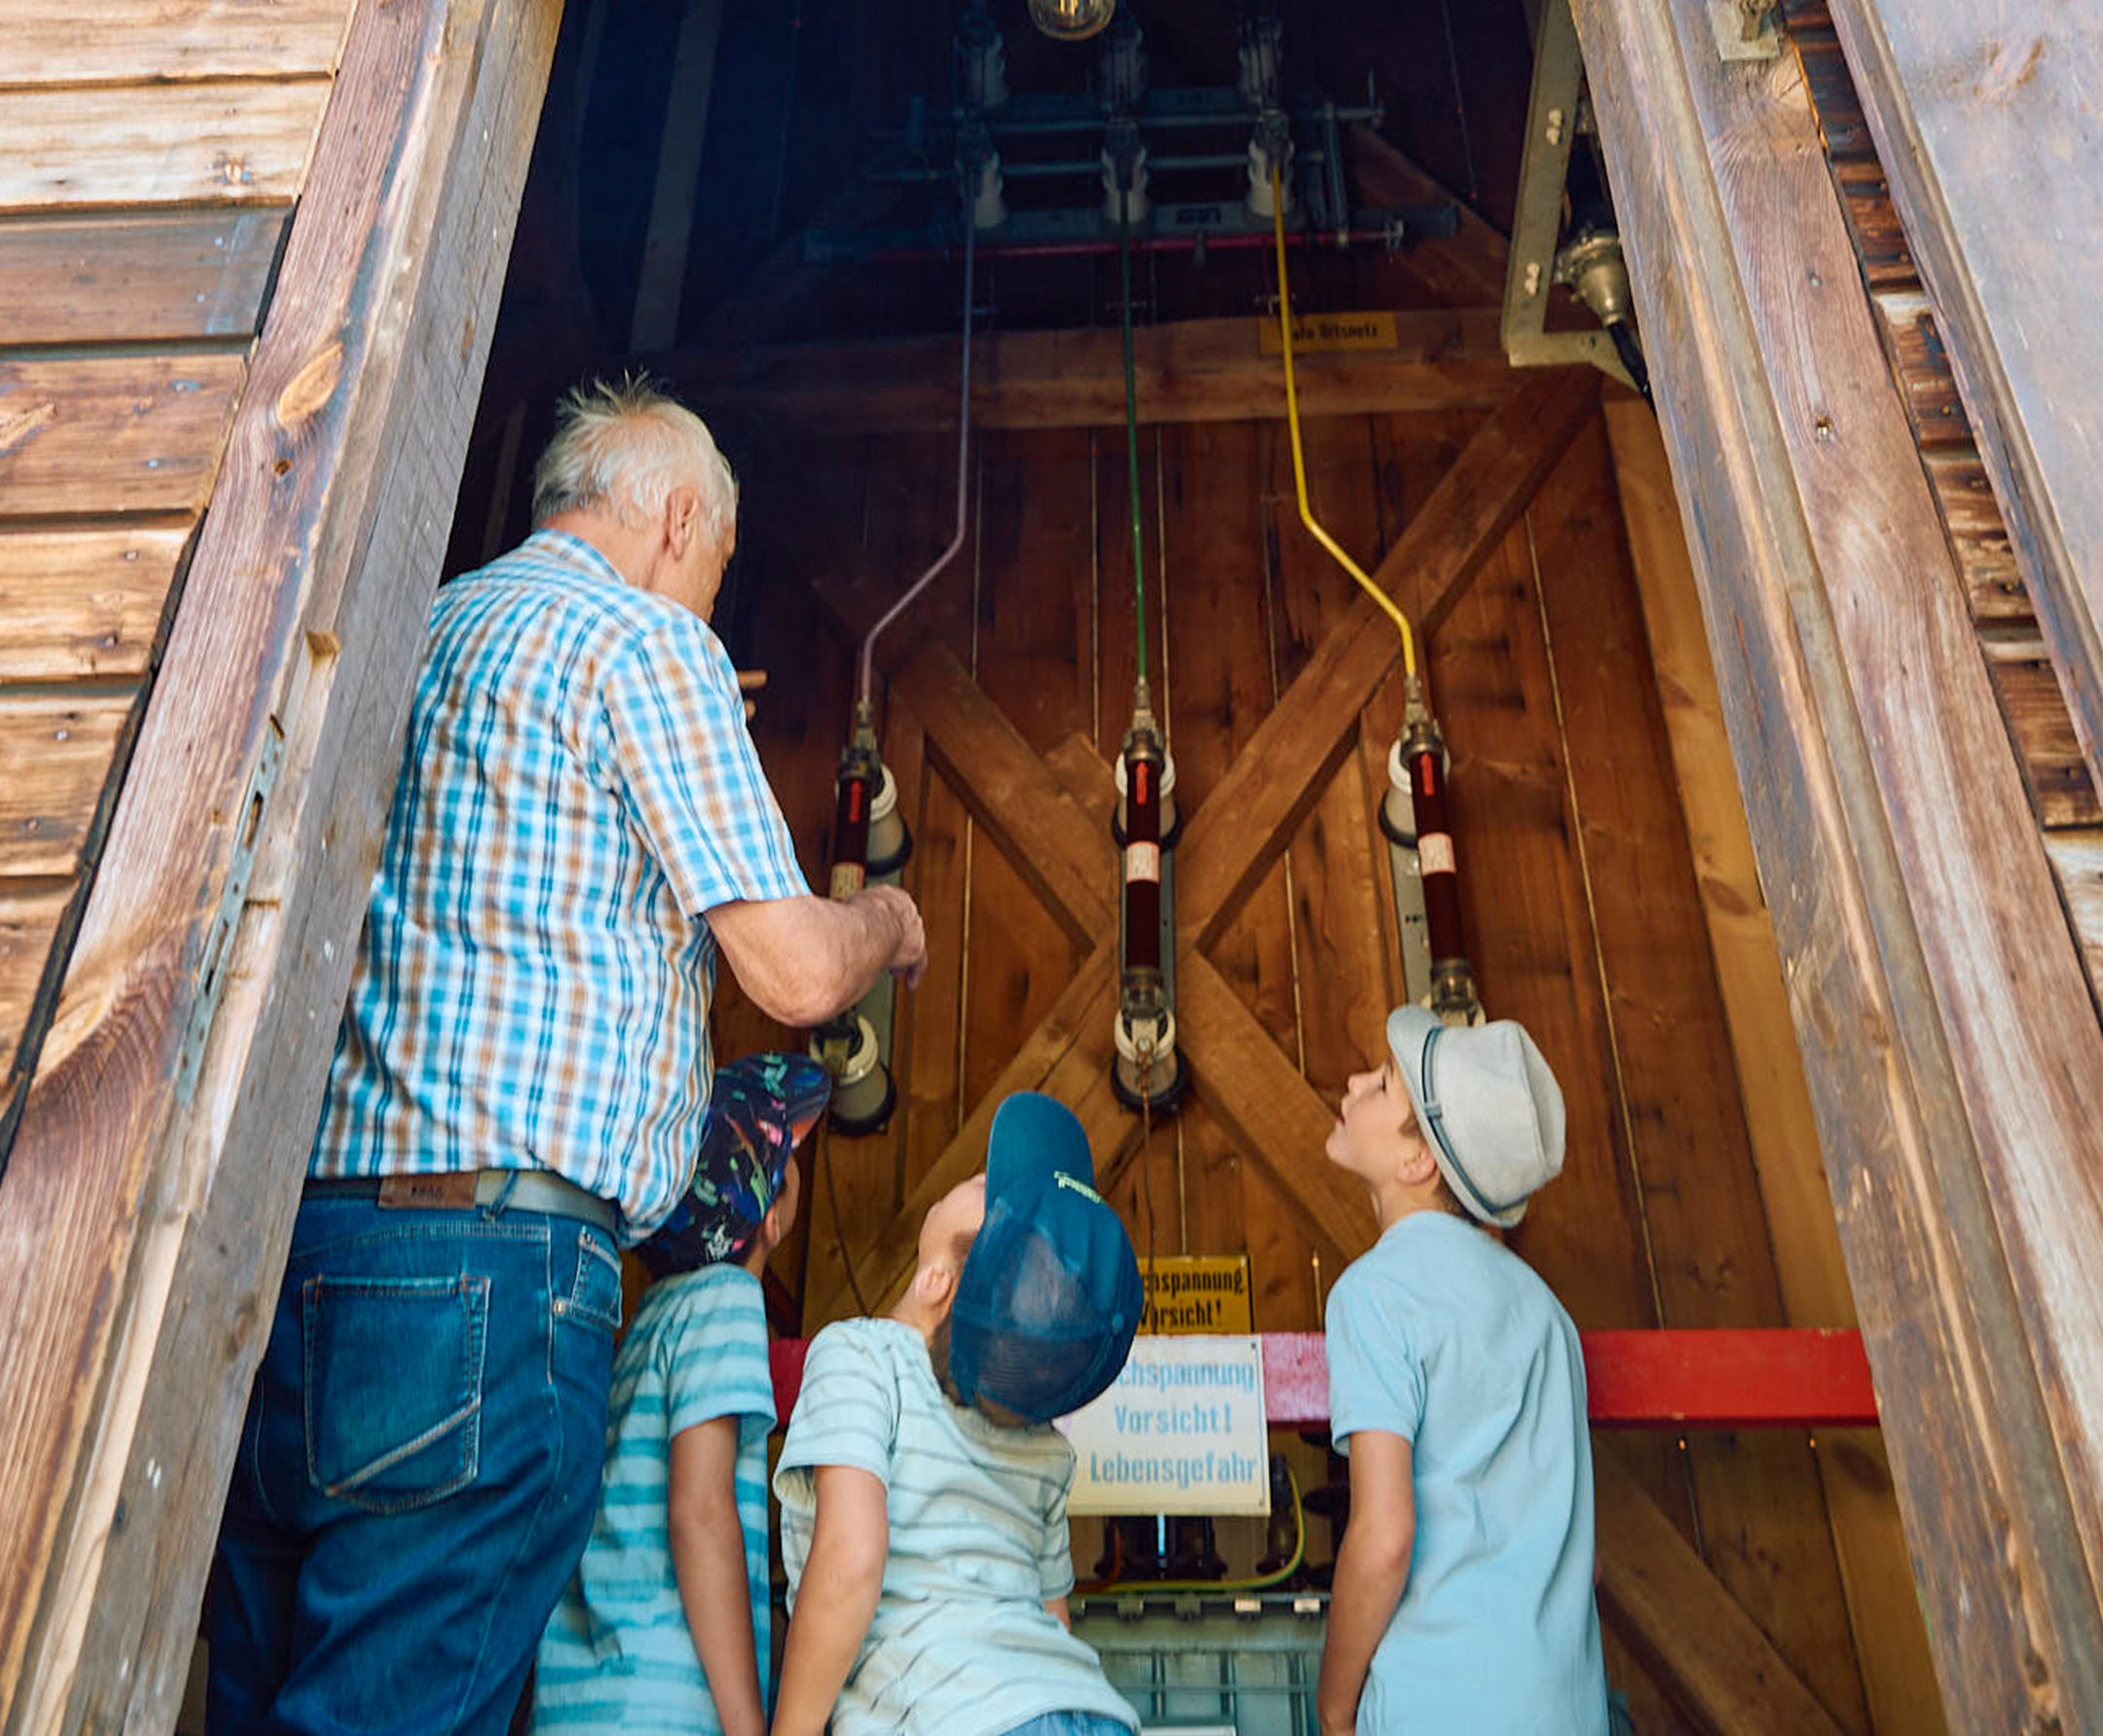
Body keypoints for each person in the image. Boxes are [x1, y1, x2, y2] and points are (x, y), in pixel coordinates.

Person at [208, 377, 927, 1735]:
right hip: (494, 1271)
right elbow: (791, 972)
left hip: (296, 1253)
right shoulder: (646, 644)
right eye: (715, 567)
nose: (706, 602)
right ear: (677, 519)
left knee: (261, 1687)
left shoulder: (411, 629)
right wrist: (888, 921)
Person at [771, 1092, 1144, 1736]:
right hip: (1090, 1706)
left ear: (937, 1280)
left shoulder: (859, 1357)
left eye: (984, 1188)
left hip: (952, 1714)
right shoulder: (1043, 1444)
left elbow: (850, 1562)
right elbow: (1052, 1617)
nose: (980, 1177)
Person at [1314, 1007, 1609, 1736]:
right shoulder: (1549, 1315)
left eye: (1382, 1084)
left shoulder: (1374, 1295)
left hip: (1440, 1704)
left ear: (1419, 1161)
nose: (1353, 1083)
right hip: (1569, 1710)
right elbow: (1587, 1559)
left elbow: (1386, 1534)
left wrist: (1335, 1708)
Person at [531, 1051, 828, 1736]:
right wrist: (747, 1723)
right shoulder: (726, 1300)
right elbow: (699, 1512)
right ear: (769, 1213)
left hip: (586, 1698)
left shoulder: (648, 1320)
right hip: (667, 1704)